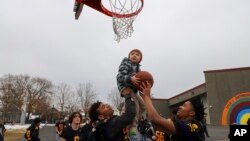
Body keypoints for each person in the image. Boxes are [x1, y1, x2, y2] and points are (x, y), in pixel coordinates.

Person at [141, 82, 205, 141]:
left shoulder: (192, 125)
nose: (180, 107)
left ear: (192, 113)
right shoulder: (180, 126)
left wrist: (146, 97)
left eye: (184, 106)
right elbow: (157, 123)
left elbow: (154, 118)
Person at [117, 49, 146, 140]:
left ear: (140, 59)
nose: (134, 55)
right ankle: (132, 128)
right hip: (126, 88)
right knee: (136, 108)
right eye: (132, 54)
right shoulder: (126, 62)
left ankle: (131, 118)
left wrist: (143, 88)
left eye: (137, 55)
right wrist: (130, 78)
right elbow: (119, 76)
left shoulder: (139, 69)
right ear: (129, 56)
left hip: (134, 91)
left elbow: (139, 83)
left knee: (143, 107)